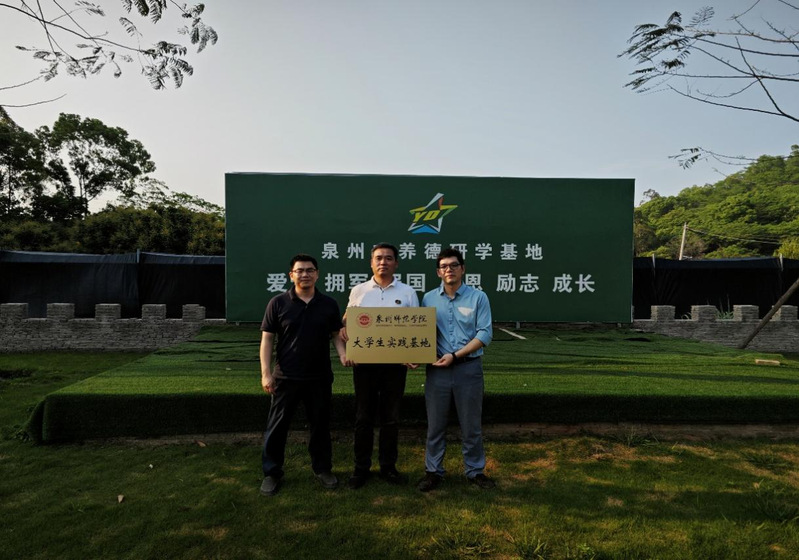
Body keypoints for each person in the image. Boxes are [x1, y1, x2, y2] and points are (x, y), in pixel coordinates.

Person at [259, 253, 348, 496]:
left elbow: (336, 335)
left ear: (317, 274)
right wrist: (266, 374)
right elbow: (267, 340)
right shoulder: (277, 303)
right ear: (292, 275)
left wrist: (343, 354)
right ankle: (272, 472)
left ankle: (323, 469)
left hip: (319, 377)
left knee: (320, 426)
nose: (305, 274)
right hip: (285, 377)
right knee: (277, 427)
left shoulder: (328, 304)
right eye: (300, 270)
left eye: (310, 270)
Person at [341, 243, 420, 489]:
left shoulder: (407, 292)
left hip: (395, 366)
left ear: (396, 263)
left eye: (388, 258)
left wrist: (414, 354)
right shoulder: (359, 291)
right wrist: (345, 329)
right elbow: (347, 322)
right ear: (371, 263)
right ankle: (360, 468)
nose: (383, 262)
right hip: (364, 365)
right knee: (363, 417)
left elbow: (416, 326)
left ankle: (388, 467)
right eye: (378, 258)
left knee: (391, 419)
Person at [418, 247, 495, 492]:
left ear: (463, 269)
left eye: (453, 265)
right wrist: (421, 355)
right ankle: (433, 472)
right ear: (438, 272)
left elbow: (484, 334)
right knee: (435, 425)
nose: (449, 270)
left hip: (468, 368)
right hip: (437, 370)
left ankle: (475, 471)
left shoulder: (478, 297)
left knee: (471, 425)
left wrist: (455, 355)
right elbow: (423, 333)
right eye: (444, 266)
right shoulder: (428, 299)